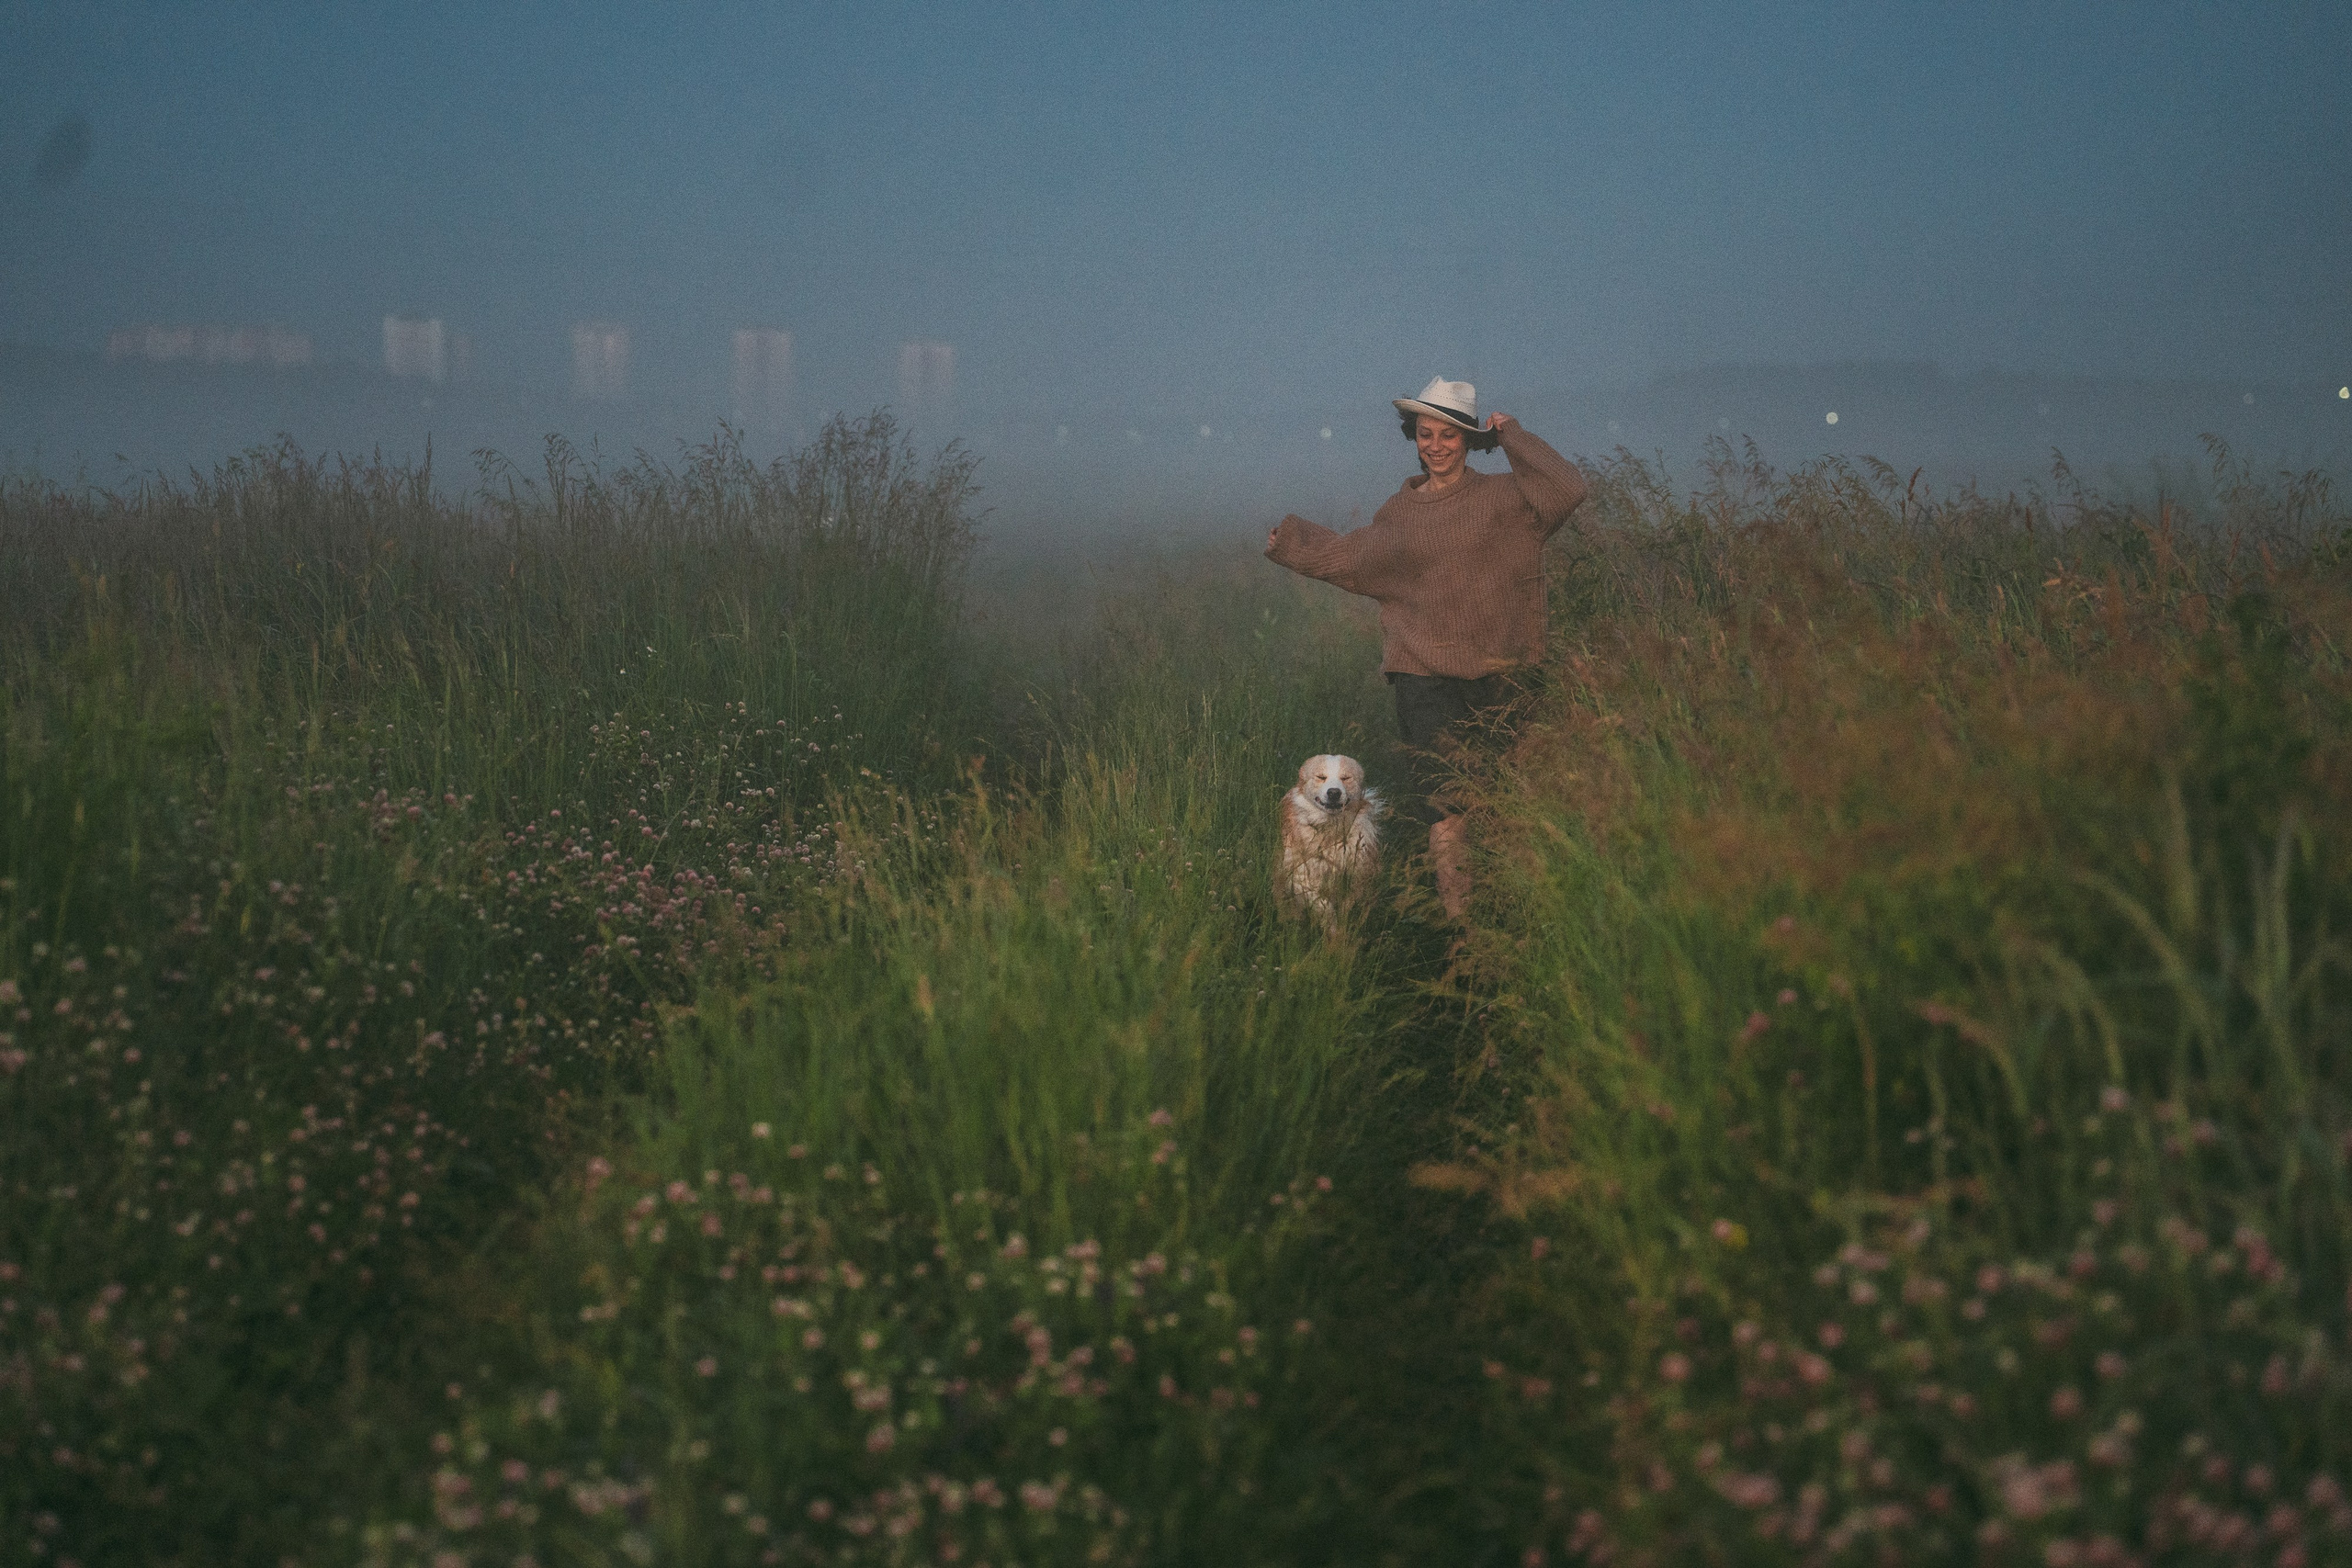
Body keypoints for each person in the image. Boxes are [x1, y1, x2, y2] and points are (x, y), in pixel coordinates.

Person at [1264, 376, 1588, 921]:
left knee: (1510, 804)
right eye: (1424, 433)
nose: (1435, 446)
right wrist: (1293, 544)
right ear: (1412, 436)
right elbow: (1356, 559)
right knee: (1447, 811)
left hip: (1502, 674)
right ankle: (1463, 935)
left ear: (1468, 441)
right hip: (1422, 678)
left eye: (1449, 436)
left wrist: (1513, 437)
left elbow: (1568, 488)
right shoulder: (1402, 512)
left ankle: (1516, 922)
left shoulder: (1508, 500)